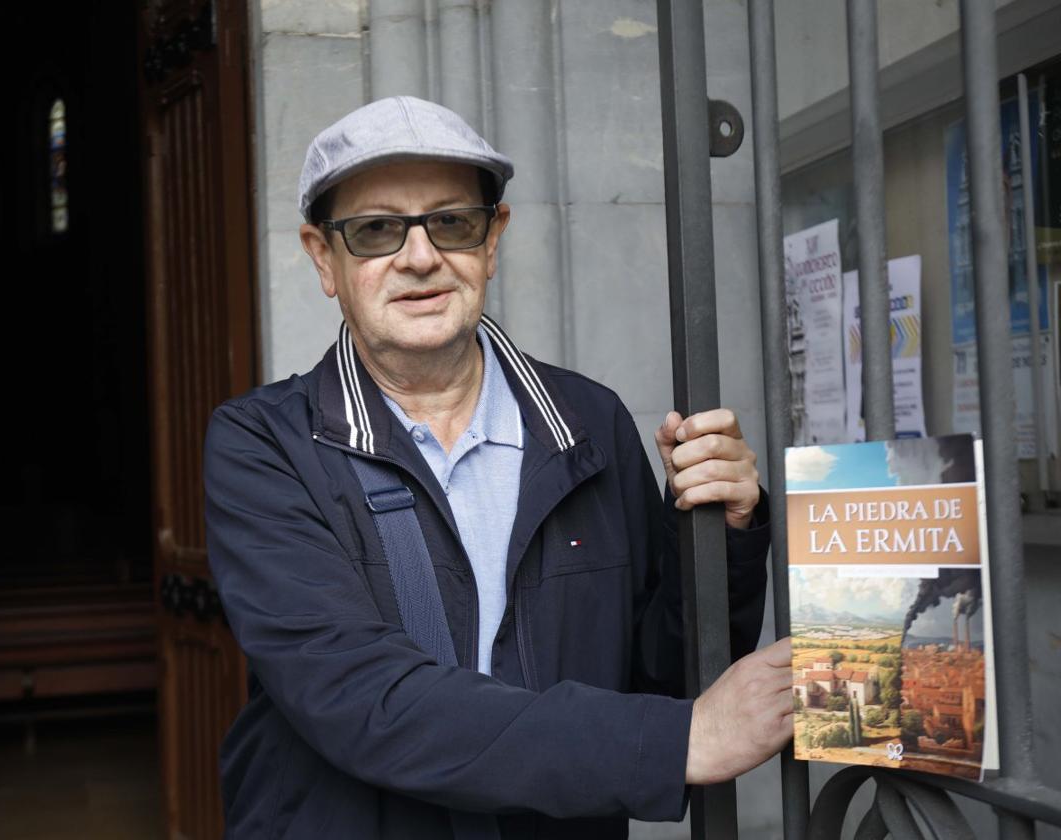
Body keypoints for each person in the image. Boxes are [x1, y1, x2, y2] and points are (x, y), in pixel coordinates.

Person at [204, 95, 793, 839]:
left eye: (451, 222)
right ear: (325, 258)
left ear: (492, 240)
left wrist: (726, 536)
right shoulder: (263, 445)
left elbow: (661, 676)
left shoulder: (588, 424)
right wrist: (680, 742)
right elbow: (361, 700)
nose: (421, 257)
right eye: (376, 230)